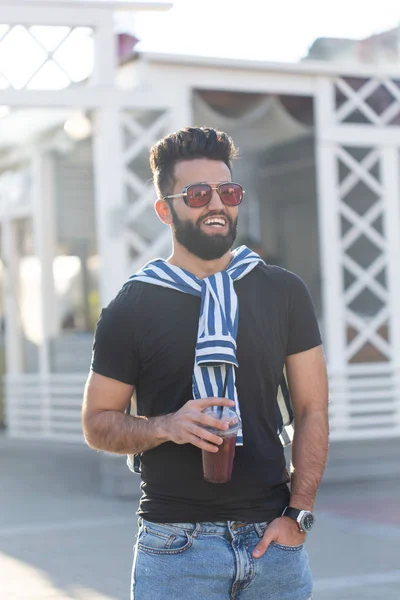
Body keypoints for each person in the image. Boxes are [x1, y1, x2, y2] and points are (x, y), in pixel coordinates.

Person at [82, 127, 329, 600]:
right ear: (165, 209)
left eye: (228, 191)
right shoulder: (133, 306)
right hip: (175, 550)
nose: (216, 203)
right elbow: (97, 424)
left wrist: (299, 513)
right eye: (197, 194)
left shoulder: (283, 292)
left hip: (272, 547)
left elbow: (313, 409)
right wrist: (166, 426)